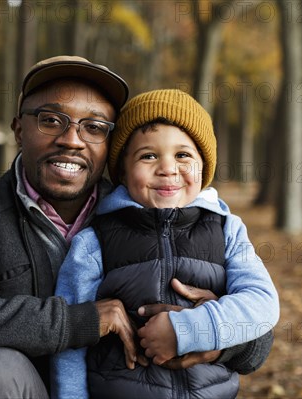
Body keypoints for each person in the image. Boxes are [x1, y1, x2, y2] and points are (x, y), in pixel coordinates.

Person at [0, 56, 273, 398]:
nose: (71, 140)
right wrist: (77, 323)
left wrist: (211, 335)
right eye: (51, 120)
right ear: (20, 129)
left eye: (94, 127)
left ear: (110, 144)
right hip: (24, 390)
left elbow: (258, 335)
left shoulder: (147, 206)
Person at [51, 89, 280, 399]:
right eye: (148, 156)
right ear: (122, 171)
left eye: (183, 155)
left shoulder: (227, 230)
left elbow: (262, 303)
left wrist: (188, 330)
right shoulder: (94, 241)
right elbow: (71, 342)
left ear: (204, 166)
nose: (168, 168)